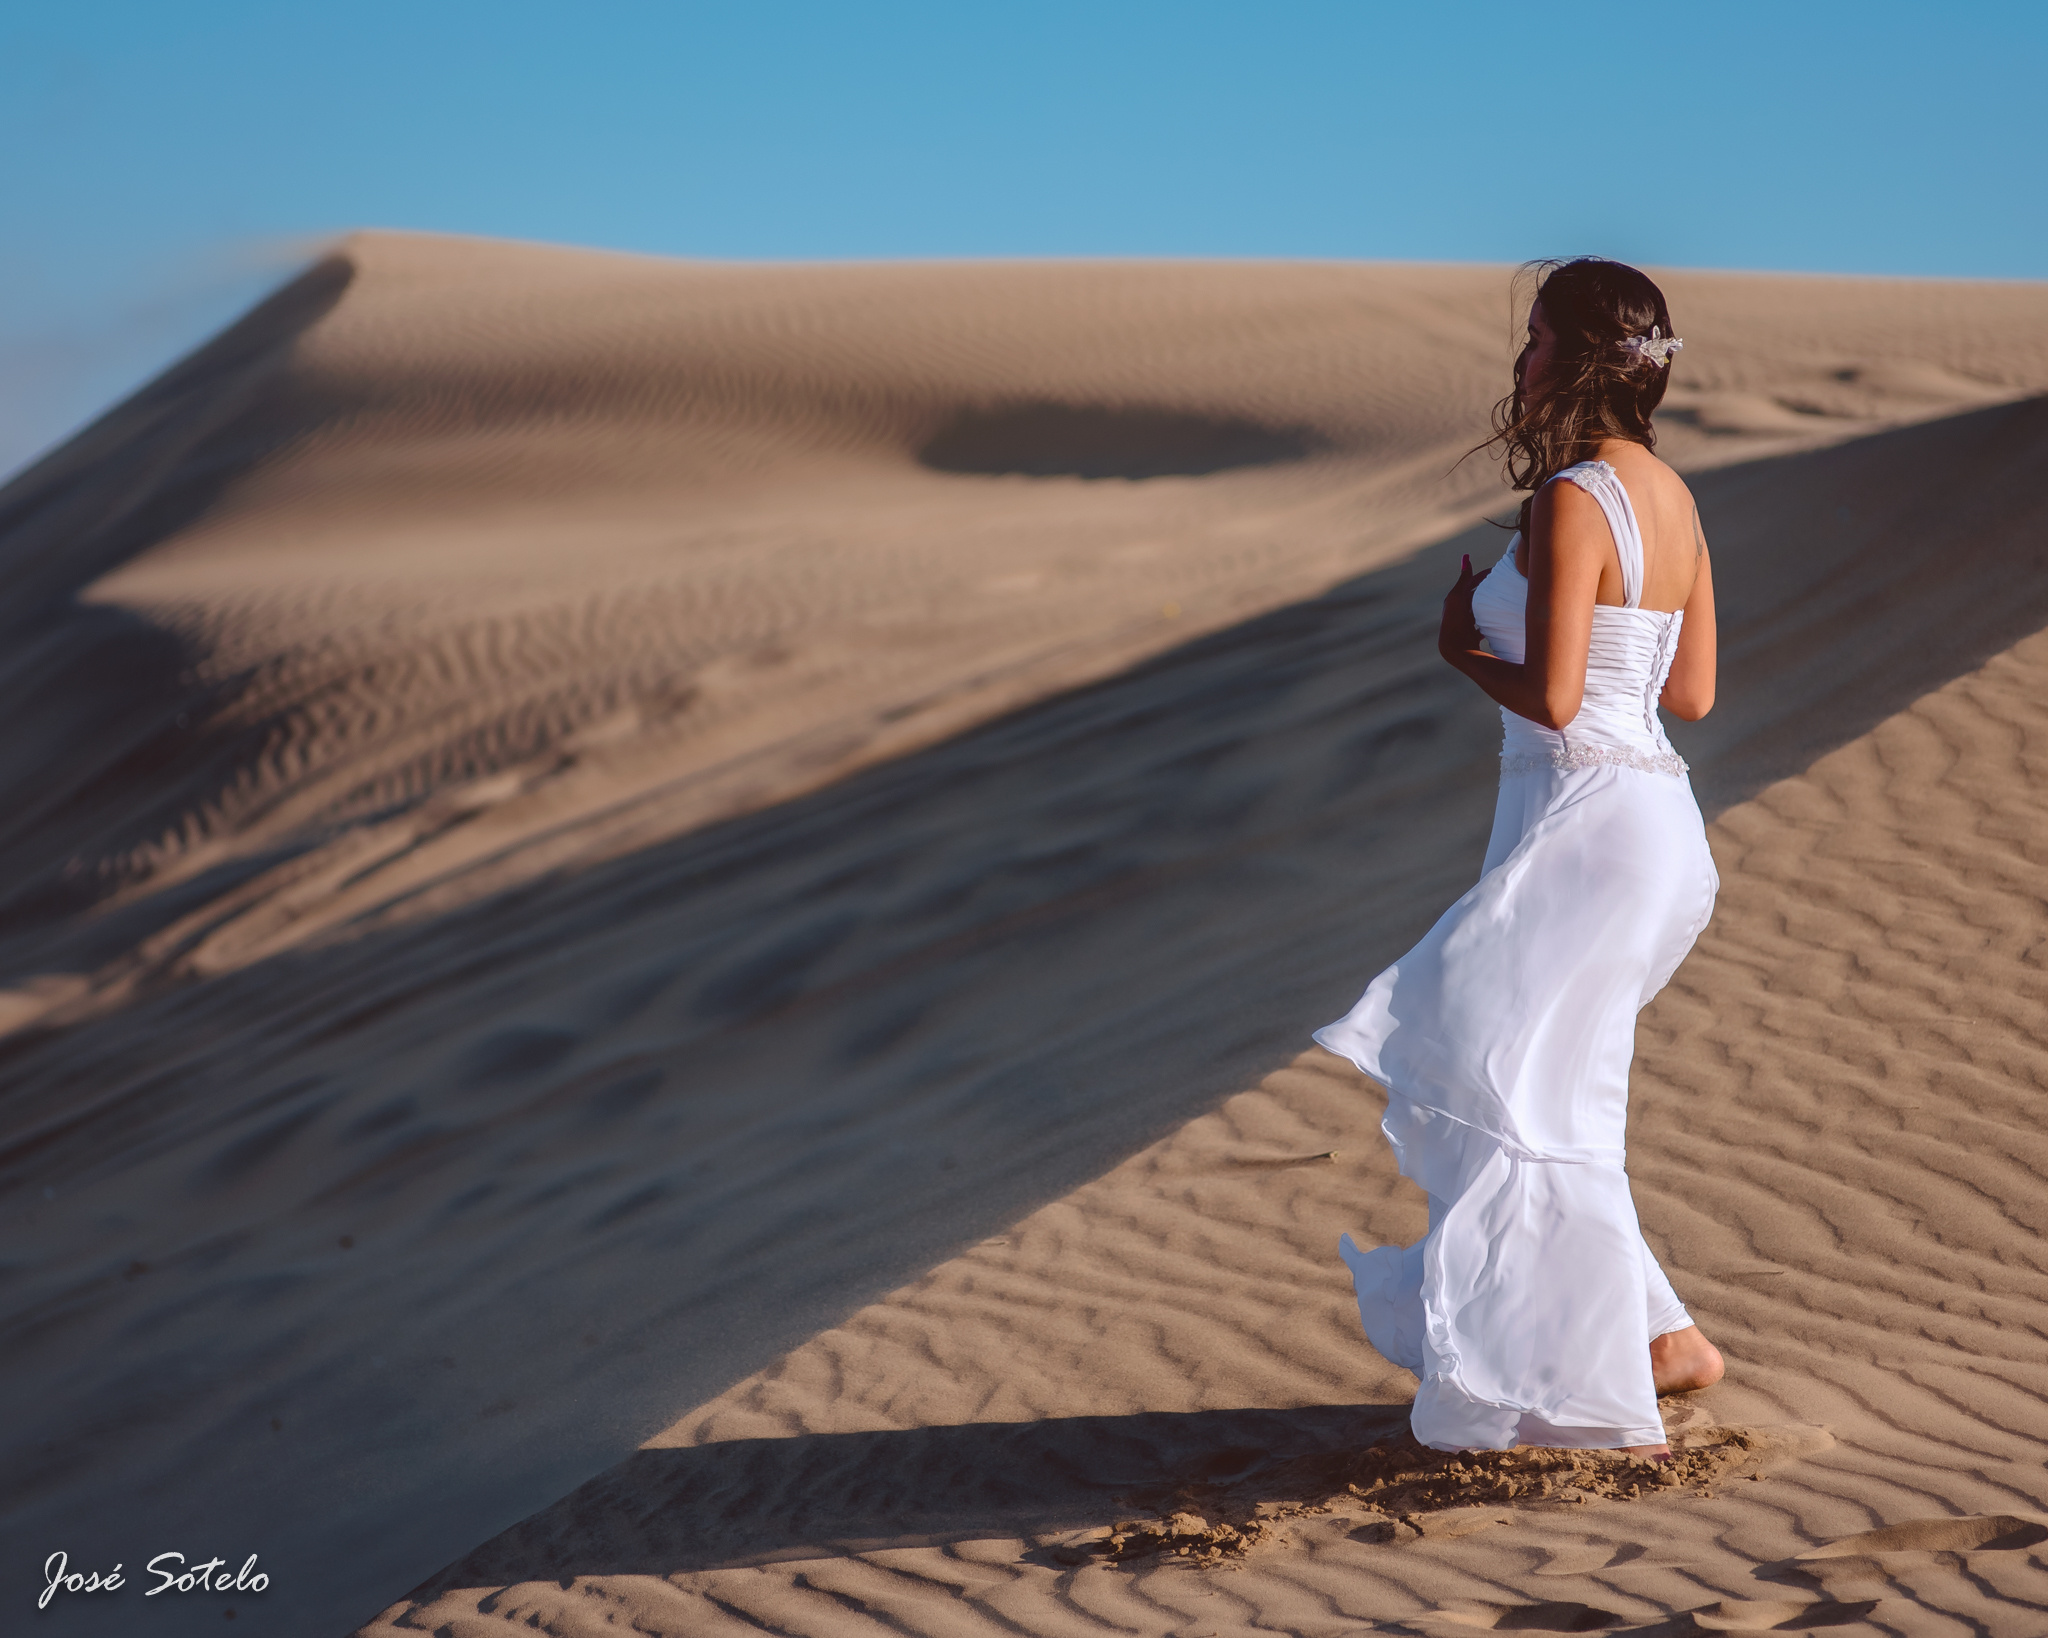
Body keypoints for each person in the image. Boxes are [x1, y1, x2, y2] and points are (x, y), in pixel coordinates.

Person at [1313, 257, 1726, 1460]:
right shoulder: (1673, 498)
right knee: (1544, 1087)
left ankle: (1604, 1370)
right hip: (1653, 825)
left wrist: (1461, 650)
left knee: (1507, 1077)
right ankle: (1662, 1338)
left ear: (1586, 357)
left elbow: (1550, 698)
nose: (1522, 355)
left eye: (1538, 334)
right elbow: (1690, 696)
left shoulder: (1570, 500)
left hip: (1579, 823)